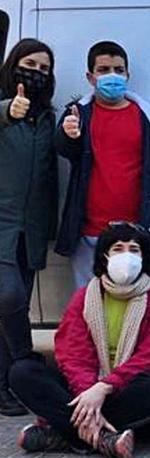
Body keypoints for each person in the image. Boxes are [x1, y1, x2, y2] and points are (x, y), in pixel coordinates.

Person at [8, 223, 150, 458]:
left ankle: (65, 433)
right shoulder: (84, 297)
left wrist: (103, 387)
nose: (126, 256)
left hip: (122, 389)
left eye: (134, 249)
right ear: (105, 256)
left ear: (144, 256)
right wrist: (88, 392)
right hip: (83, 390)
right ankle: (103, 437)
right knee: (22, 371)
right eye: (118, 249)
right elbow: (72, 352)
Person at [55, 40, 150, 289]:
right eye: (103, 70)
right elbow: (63, 149)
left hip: (136, 237)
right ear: (90, 77)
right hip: (89, 234)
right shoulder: (78, 115)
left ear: (127, 74)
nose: (112, 76)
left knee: (133, 314)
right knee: (89, 311)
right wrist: (68, 134)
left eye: (118, 70)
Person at [0, 38, 58, 416]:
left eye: (43, 68)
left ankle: (11, 385)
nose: (35, 72)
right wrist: (7, 111)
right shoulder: (7, 109)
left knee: (10, 307)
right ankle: (22, 364)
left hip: (32, 231)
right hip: (1, 226)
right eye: (29, 64)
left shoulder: (49, 117)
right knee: (9, 298)